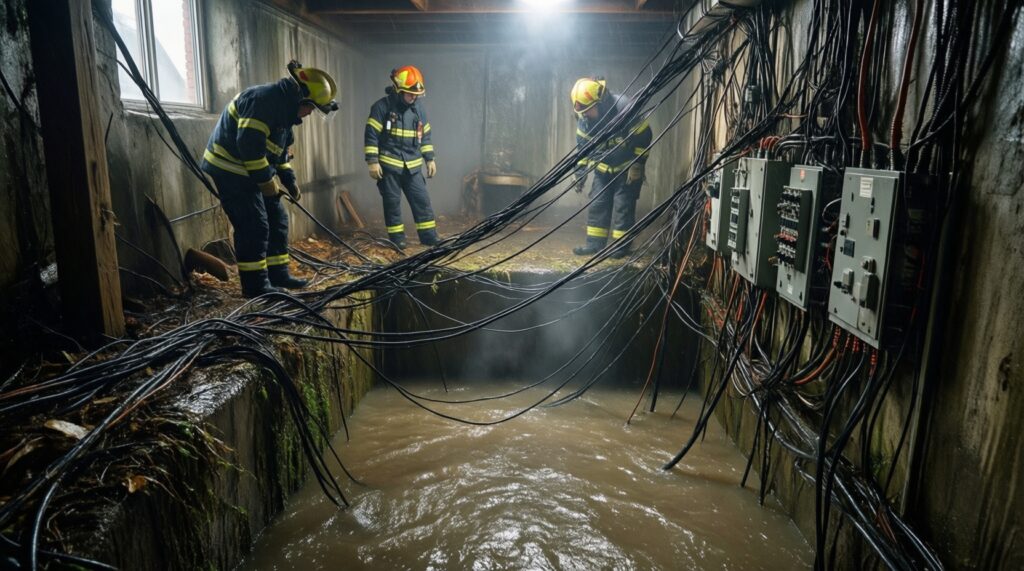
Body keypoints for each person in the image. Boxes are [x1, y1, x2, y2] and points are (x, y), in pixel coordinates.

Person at [201, 60, 338, 298]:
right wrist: (266, 181)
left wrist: (289, 180)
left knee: (277, 218)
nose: (309, 114)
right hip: (230, 169)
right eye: (311, 108)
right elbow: (249, 147)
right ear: (301, 99)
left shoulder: (284, 113)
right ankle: (255, 288)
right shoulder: (263, 101)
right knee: (254, 225)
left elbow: (278, 154)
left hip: (252, 170)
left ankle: (278, 275)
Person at [570, 77, 651, 258]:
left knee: (623, 206)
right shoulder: (585, 121)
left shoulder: (624, 109)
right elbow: (583, 151)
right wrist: (579, 173)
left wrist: (638, 164)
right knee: (598, 204)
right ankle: (594, 245)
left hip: (626, 168)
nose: (584, 116)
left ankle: (621, 247)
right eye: (581, 112)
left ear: (601, 102)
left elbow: (645, 136)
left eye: (587, 111)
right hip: (603, 169)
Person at [364, 65, 439, 249]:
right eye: (410, 94)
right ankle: (397, 239)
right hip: (389, 167)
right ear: (398, 91)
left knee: (422, 201)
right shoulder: (381, 107)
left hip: (413, 167)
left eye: (416, 95)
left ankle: (429, 237)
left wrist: (429, 158)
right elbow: (371, 135)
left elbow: (425, 135)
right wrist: (372, 162)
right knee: (392, 204)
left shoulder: (418, 109)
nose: (414, 98)